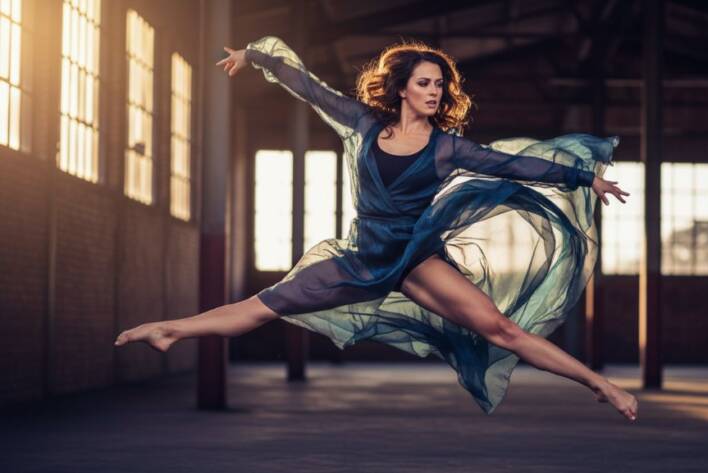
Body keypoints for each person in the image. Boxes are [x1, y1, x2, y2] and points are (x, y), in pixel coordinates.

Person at [115, 36, 637, 421]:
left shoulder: (448, 148)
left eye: (440, 85)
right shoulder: (364, 123)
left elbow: (513, 165)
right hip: (363, 258)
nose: (434, 92)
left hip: (416, 261)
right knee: (262, 306)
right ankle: (170, 330)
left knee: (501, 330)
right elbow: (309, 88)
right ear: (402, 89)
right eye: (424, 83)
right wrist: (256, 57)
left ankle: (600, 385)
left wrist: (584, 178)